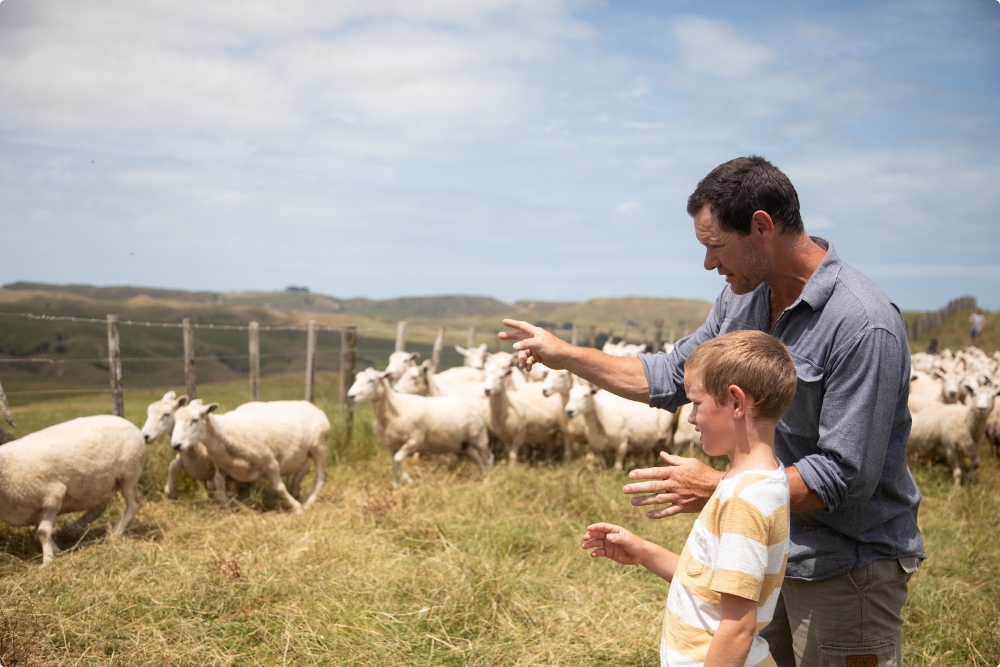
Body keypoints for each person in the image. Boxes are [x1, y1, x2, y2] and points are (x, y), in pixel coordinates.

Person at [500, 156, 925, 667]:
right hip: (764, 554)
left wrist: (722, 489)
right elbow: (674, 375)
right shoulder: (740, 300)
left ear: (762, 227)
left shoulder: (863, 323)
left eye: (715, 246)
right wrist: (566, 355)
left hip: (845, 568)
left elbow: (846, 474)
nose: (708, 265)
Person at [583, 330, 796, 667]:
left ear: (737, 402)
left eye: (696, 403)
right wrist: (644, 552)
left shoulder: (744, 500)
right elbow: (712, 585)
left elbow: (737, 628)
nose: (691, 417)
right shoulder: (763, 481)